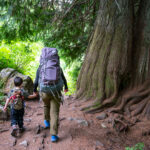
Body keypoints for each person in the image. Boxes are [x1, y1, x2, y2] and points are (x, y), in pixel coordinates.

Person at [33, 67, 68, 142]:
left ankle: (46, 121)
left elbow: (36, 82)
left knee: (46, 105)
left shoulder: (40, 67)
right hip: (56, 92)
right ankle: (54, 135)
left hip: (44, 92)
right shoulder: (57, 67)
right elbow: (63, 78)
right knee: (54, 113)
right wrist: (66, 87)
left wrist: (35, 90)